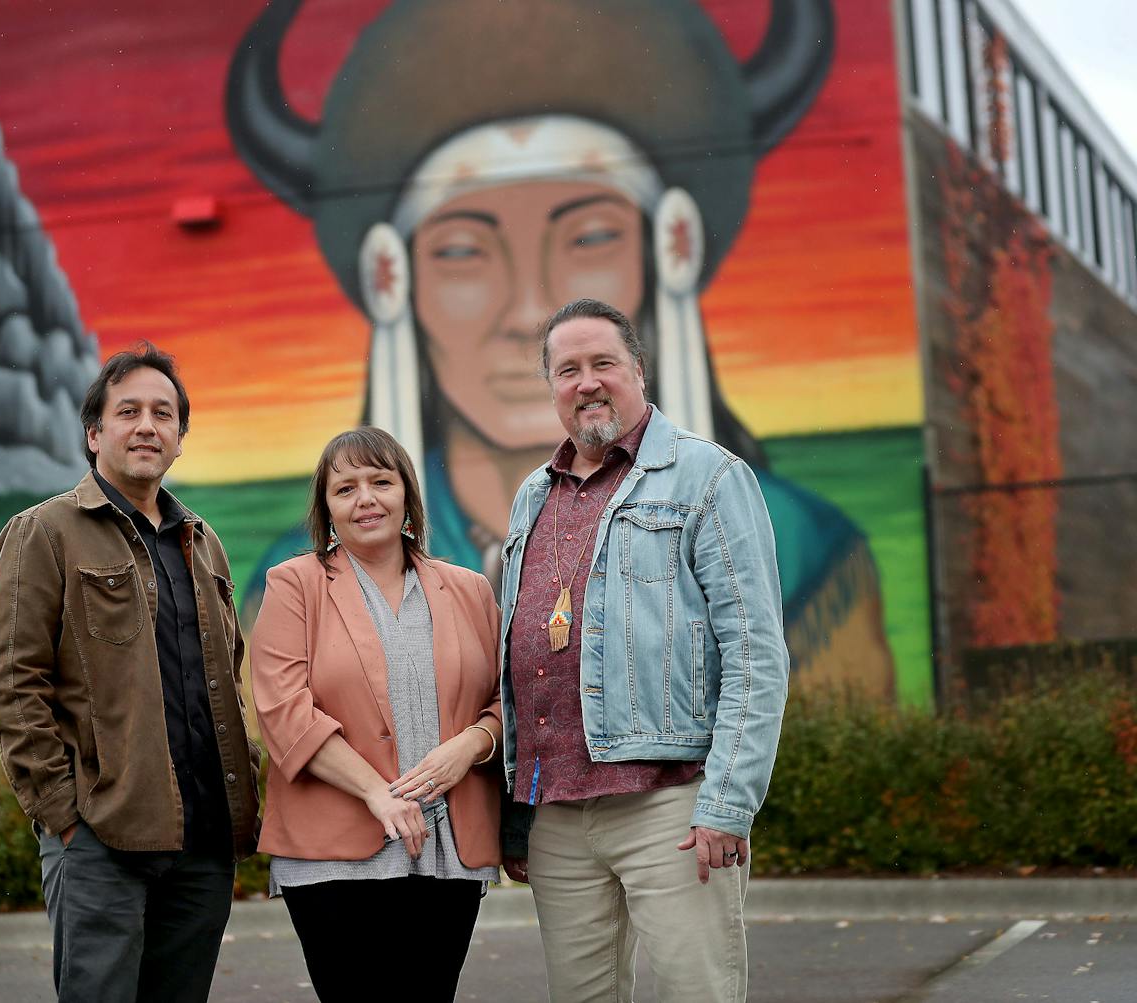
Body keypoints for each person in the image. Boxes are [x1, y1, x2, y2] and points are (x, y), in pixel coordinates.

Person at [227, 0, 895, 698]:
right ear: (393, 277)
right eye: (462, 251)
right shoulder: (305, 582)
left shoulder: (799, 550)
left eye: (589, 237)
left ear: (670, 246)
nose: (526, 312)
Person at [499, 299, 789, 1003]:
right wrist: (514, 811)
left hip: (671, 806)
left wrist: (727, 802)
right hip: (557, 816)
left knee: (698, 992)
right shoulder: (532, 495)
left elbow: (754, 653)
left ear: (637, 370)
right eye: (568, 369)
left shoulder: (709, 477)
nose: (587, 382)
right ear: (552, 388)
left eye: (603, 363)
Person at [0, 343, 260, 1003]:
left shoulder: (204, 541)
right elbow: (11, 684)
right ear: (94, 433)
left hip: (203, 842)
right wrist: (63, 815)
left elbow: (228, 676)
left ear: (180, 439)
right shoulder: (44, 532)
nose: (146, 425)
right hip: (101, 840)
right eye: (127, 410)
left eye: (163, 414)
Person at [250, 426, 503, 1002]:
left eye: (380, 482)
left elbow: (507, 702)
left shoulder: (470, 589)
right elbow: (284, 711)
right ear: (327, 511)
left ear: (408, 498)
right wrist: (377, 792)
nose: (365, 498)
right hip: (333, 856)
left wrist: (472, 745)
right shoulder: (293, 585)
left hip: (448, 853)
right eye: (345, 488)